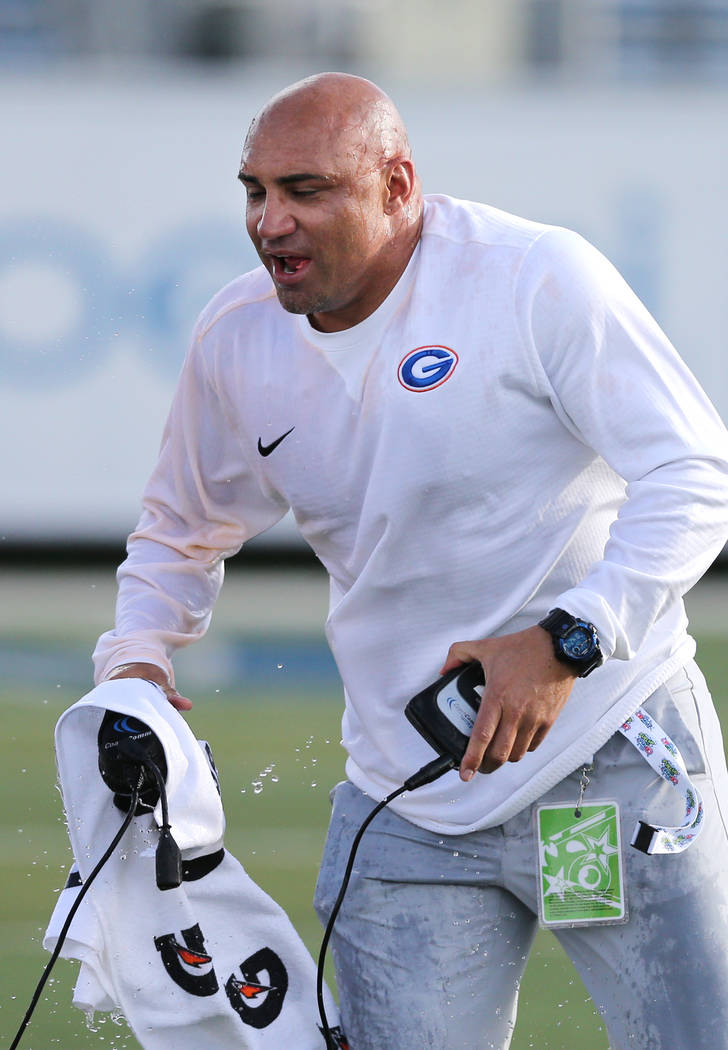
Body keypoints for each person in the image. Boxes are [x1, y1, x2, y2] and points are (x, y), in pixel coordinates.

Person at [94, 73, 728, 1049]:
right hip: (410, 802)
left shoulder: (531, 280)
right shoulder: (237, 338)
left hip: (600, 769)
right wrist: (133, 668)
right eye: (254, 191)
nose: (270, 222)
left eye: (306, 190)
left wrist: (567, 640)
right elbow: (179, 530)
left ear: (395, 186)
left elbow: (695, 472)